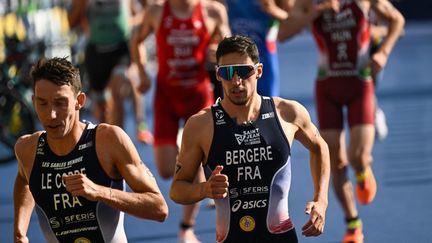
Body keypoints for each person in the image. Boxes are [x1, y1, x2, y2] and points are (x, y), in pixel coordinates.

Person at [170, 35, 331, 242]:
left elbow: (320, 147)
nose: (236, 81)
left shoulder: (287, 113)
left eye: (244, 71)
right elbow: (177, 190)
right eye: (227, 72)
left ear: (259, 72)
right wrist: (204, 189)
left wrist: (321, 201)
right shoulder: (201, 125)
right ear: (218, 75)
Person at [278, 0, 405, 242]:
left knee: (358, 157)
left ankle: (362, 169)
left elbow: (397, 20)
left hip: (360, 82)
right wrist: (315, 12)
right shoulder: (310, 3)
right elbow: (283, 33)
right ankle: (353, 224)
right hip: (328, 87)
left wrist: (384, 52)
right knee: (335, 159)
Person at [13, 57, 168, 243]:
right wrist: (19, 232)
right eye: (42, 103)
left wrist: (99, 191)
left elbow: (159, 208)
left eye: (60, 102)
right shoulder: (27, 149)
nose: (51, 114)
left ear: (79, 101)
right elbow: (24, 179)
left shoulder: (108, 140)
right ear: (33, 101)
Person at [130, 0, 230, 242]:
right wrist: (142, 71)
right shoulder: (155, 11)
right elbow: (136, 40)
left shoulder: (212, 11)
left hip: (198, 95)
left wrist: (218, 52)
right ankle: (185, 157)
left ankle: (187, 227)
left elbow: (231, 50)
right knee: (166, 170)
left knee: (196, 160)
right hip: (166, 97)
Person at [68, 0, 154, 144]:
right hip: (96, 51)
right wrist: (81, 6)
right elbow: (71, 22)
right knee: (102, 107)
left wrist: (133, 25)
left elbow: (147, 9)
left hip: (121, 49)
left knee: (118, 91)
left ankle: (120, 140)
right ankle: (105, 141)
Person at [220, 0, 294, 97]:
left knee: (267, 103)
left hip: (264, 57)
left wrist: (272, 10)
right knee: (233, 104)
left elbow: (292, 21)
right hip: (235, 59)